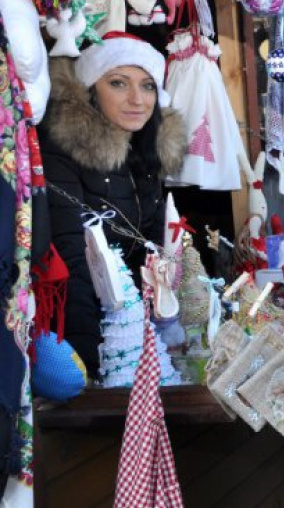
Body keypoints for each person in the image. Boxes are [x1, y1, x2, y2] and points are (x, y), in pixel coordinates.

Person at [34, 32, 187, 377]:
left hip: (136, 337)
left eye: (148, 86)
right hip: (91, 338)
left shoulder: (147, 154)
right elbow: (72, 256)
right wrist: (95, 362)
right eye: (118, 83)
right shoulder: (63, 150)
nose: (137, 99)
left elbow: (154, 250)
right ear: (91, 88)